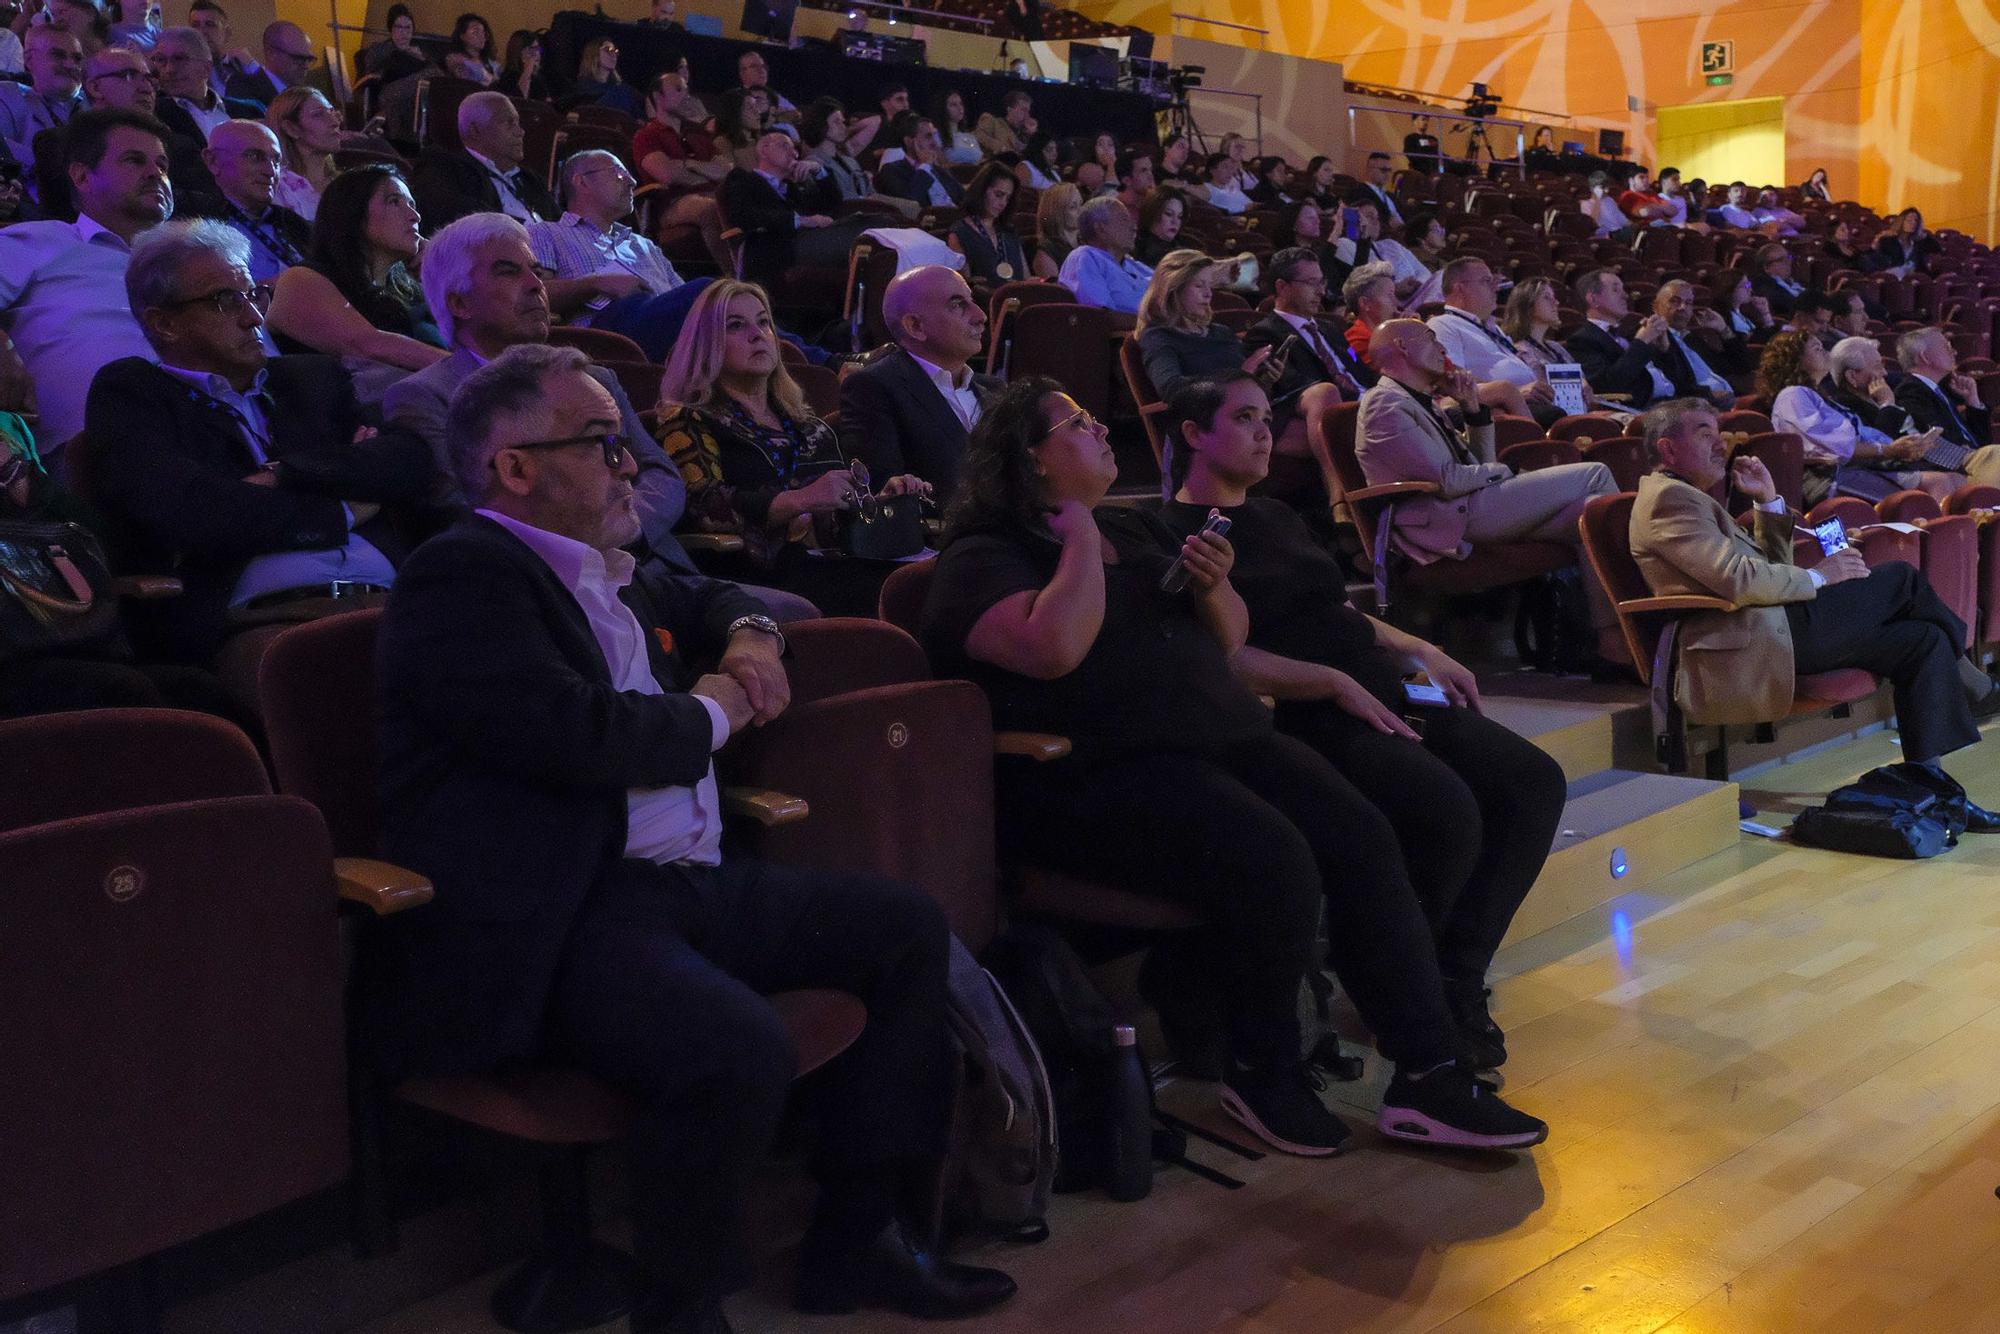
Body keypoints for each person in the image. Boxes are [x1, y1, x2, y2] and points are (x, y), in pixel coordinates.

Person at [374, 341, 1017, 1332]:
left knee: (900, 925)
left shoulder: (613, 564)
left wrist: (753, 632)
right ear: (512, 467)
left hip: (685, 885)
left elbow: (718, 592)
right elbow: (583, 737)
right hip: (565, 908)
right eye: (598, 443)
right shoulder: (462, 577)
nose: (627, 461)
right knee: (735, 1048)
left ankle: (860, 1238)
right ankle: (679, 1306)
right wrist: (717, 706)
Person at [922, 376, 1549, 1152]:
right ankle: (1260, 1070)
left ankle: (1429, 1076)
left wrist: (1215, 585)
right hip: (1098, 774)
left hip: (1216, 739)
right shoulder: (984, 556)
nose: (1098, 427)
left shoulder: (1140, 530)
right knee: (1280, 858)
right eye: (1078, 422)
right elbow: (1052, 649)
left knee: (1360, 831)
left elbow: (1225, 637)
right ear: (1031, 458)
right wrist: (1082, 537)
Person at [1162, 371, 1568, 1073]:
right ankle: (1396, 981)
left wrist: (1419, 645)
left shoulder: (1279, 517)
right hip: (1306, 710)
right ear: (1195, 434)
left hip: (1381, 684)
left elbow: (1334, 609)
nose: (1265, 432)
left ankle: (1453, 973)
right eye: (1246, 418)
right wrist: (1334, 681)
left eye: (1268, 418)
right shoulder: (1176, 535)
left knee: (1532, 781)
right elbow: (1222, 656)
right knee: (1446, 811)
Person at [86, 218, 431, 672]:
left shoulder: (309, 379)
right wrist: (343, 506)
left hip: (392, 601)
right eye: (224, 300)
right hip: (260, 619)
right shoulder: (134, 393)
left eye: (253, 294)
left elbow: (408, 460)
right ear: (164, 323)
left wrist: (282, 474)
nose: (253, 316)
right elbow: (190, 514)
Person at [1630, 396, 2000, 766]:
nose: (1720, 443)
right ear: (1668, 449)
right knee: (1899, 577)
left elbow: (1771, 567)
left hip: (1778, 623)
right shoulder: (1670, 500)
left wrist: (1768, 501)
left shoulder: (1690, 497)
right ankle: (1977, 684)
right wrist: (1824, 574)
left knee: (1923, 638)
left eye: (1718, 432)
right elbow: (1739, 580)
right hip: (1753, 636)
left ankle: (1932, 783)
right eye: (1703, 433)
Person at [383, 212, 707, 573]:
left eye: (536, 270)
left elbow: (659, 473)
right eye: (508, 271)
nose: (536, 285)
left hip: (656, 569)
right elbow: (473, 508)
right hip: (548, 585)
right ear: (460, 303)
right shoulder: (422, 396)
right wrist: (589, 545)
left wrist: (624, 531)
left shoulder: (596, 378)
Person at [657, 280, 930, 615]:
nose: (757, 334)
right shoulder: (688, 418)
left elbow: (833, 522)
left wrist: (879, 500)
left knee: (928, 577)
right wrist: (800, 499)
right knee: (905, 593)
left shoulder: (808, 424)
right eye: (736, 325)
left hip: (825, 564)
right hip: (753, 574)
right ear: (705, 343)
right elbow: (701, 505)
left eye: (764, 322)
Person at [1357, 319, 1616, 626]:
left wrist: (1472, 410)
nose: (1442, 348)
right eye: (1431, 340)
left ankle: (1611, 640)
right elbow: (1446, 482)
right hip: (1442, 520)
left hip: (1469, 506)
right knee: (1596, 474)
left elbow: (1476, 466)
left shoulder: (1421, 401)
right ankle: (1638, 620)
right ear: (1401, 346)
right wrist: (1505, 471)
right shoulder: (1384, 404)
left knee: (1592, 515)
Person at [0, 107, 168, 470]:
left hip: (217, 442)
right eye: (134, 160)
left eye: (162, 165)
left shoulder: (193, 264)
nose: (156, 173)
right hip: (96, 461)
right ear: (81, 176)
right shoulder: (39, 240)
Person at [266, 163, 447, 370]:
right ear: (351, 212)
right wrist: (469, 369)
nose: (415, 216)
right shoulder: (300, 280)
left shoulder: (409, 290)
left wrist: (439, 268)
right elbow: (368, 346)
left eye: (412, 205)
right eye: (394, 201)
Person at [838, 264, 998, 497]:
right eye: (957, 305)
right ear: (915, 326)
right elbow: (882, 494)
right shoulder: (873, 388)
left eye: (971, 301)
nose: (980, 316)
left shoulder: (994, 389)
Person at [1761, 330, 1943, 505]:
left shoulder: (1820, 397)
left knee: (1947, 481)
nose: (1825, 351)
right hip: (1830, 479)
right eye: (1817, 349)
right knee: (1927, 492)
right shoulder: (1792, 395)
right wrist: (1888, 450)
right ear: (1795, 361)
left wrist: (1905, 447)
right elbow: (1834, 448)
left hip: (1853, 471)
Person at [34, 42, 210, 219]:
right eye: (129, 75)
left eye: (149, 79)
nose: (146, 88)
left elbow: (210, 204)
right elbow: (61, 213)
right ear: (95, 87)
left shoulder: (180, 145)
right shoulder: (58, 144)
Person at [719, 127, 860, 286]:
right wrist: (800, 221)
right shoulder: (743, 179)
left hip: (809, 244)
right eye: (785, 146)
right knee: (869, 235)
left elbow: (832, 202)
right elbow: (743, 215)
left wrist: (819, 171)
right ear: (765, 149)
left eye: (795, 149)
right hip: (777, 251)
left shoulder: (793, 188)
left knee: (872, 233)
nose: (795, 154)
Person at [1243, 246, 1373, 415]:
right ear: (1282, 287)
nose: (1321, 291)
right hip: (1337, 409)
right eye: (1311, 283)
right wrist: (1362, 401)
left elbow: (1356, 363)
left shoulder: (1331, 328)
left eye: (1321, 282)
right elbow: (1297, 385)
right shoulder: (1265, 334)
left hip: (1369, 400)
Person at [631, 71, 734, 273]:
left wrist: (689, 165)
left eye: (687, 90)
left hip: (714, 193)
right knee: (711, 209)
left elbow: (726, 169)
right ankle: (735, 279)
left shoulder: (697, 133)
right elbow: (667, 174)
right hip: (673, 202)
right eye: (678, 89)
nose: (686, 95)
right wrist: (705, 171)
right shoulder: (646, 135)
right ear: (659, 97)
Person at [408, 91, 556, 230]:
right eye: (509, 123)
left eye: (518, 123)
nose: (520, 132)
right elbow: (455, 216)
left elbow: (559, 224)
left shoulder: (531, 180)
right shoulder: (444, 167)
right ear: (475, 130)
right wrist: (527, 232)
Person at [186, 117, 308, 282]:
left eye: (276, 161)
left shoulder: (293, 223)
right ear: (213, 161)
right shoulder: (192, 226)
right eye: (255, 156)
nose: (271, 171)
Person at [1425, 257, 1544, 421]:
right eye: (1486, 281)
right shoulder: (1443, 324)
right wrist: (1517, 390)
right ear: (1460, 289)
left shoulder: (1491, 327)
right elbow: (1452, 379)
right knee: (1555, 416)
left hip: (1529, 401)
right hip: (1498, 408)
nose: (1495, 287)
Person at [1894, 326, 2000, 481]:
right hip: (1959, 465)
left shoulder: (1943, 390)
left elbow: (1983, 442)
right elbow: (1933, 436)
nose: (1954, 352)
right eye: (1946, 347)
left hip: (1980, 461)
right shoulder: (1911, 390)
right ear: (1925, 357)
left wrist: (1973, 401)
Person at [1499, 276, 1619, 413]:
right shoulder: (1519, 351)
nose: (1555, 302)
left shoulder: (1557, 348)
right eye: (1546, 297)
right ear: (1528, 305)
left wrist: (1584, 386)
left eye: (1553, 297)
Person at [1567, 268, 1681, 409]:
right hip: (1641, 410)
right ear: (1593, 299)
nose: (1625, 295)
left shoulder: (1628, 334)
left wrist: (1664, 349)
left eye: (1623, 289)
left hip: (1670, 402)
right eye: (1616, 290)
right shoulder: (1582, 340)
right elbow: (1607, 385)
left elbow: (1677, 379)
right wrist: (1641, 342)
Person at [797, 96, 909, 220]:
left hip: (869, 211)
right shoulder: (814, 164)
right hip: (849, 220)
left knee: (915, 210)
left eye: (843, 122)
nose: (842, 127)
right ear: (821, 124)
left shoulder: (850, 161)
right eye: (836, 122)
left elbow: (870, 193)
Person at [149, 26, 259, 144]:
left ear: (206, 68)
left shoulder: (249, 111)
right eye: (161, 60)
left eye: (179, 59)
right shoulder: (153, 115)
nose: (169, 69)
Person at [0, 26, 83, 175]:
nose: (71, 65)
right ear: (29, 60)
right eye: (58, 55)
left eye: (77, 58)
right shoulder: (8, 96)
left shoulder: (96, 107)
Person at [1056, 196, 1153, 317]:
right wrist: (1153, 324)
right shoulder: (1085, 256)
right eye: (1124, 219)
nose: (1134, 227)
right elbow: (1100, 316)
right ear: (1101, 229)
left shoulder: (1133, 264)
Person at [1649, 278, 1738, 407]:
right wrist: (1708, 395)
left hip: (1725, 401)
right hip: (1696, 406)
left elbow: (1738, 366)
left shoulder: (1692, 339)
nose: (1682, 307)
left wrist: (1724, 329)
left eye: (1688, 302)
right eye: (1674, 301)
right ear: (1656, 306)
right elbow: (1673, 383)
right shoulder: (1654, 337)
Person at [947, 161, 1027, 286]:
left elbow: (1025, 277)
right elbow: (965, 287)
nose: (1003, 203)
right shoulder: (960, 233)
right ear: (982, 190)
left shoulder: (1009, 231)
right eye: (998, 195)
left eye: (1007, 198)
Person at [265, 85, 337, 221]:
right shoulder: (277, 189)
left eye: (332, 112)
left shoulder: (344, 183)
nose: (335, 122)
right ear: (291, 128)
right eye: (318, 114)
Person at [222, 21, 315, 110]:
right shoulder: (243, 88)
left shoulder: (309, 93)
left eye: (309, 59)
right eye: (298, 58)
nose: (306, 66)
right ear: (271, 54)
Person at [876, 115, 963, 209]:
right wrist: (925, 166)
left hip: (956, 217)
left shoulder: (939, 170)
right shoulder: (891, 170)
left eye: (935, 136)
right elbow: (910, 202)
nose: (935, 143)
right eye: (928, 137)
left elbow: (963, 197)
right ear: (909, 142)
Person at [1342, 260, 1399, 363]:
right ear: (1365, 303)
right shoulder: (1356, 341)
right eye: (1389, 295)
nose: (1396, 302)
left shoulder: (1388, 335)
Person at [570, 37, 639, 117]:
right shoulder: (581, 87)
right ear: (594, 54)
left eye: (615, 51)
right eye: (608, 50)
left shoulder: (624, 90)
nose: (613, 55)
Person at [360, 4, 429, 79]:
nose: (404, 32)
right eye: (399, 27)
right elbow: (369, 78)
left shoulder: (421, 52)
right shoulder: (378, 50)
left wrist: (421, 60)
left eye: (408, 27)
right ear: (391, 30)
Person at [1032, 181, 1080, 280]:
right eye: (1073, 207)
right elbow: (1055, 292)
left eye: (1081, 204)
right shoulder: (1047, 251)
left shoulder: (1087, 242)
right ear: (1057, 212)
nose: (1081, 210)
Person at [1132, 185, 1187, 268]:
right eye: (1168, 214)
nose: (1175, 222)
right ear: (1152, 213)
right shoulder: (1131, 243)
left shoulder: (1182, 255)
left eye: (1179, 217)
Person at [1877, 207, 1942, 276]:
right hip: (1894, 277)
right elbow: (1882, 263)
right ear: (1901, 222)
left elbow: (1937, 248)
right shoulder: (1888, 241)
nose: (1913, 223)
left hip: (1914, 278)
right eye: (1909, 220)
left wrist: (1925, 236)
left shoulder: (1919, 242)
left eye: (1916, 220)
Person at [1748, 241, 1805, 316]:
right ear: (1766, 268)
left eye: (1788, 257)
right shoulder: (1764, 287)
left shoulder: (1794, 281)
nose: (1788, 262)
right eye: (1781, 260)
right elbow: (1793, 306)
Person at [443, 12, 498, 86]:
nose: (482, 36)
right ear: (462, 36)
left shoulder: (490, 62)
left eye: (484, 33)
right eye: (475, 32)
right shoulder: (455, 59)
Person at [929, 89, 981, 165]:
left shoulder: (970, 136)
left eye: (961, 104)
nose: (960, 108)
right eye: (953, 105)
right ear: (943, 109)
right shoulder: (936, 135)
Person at [1354, 150, 1402, 230]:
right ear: (1370, 170)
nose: (1387, 174)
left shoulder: (1391, 196)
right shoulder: (1359, 193)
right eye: (1383, 170)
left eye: (1389, 170)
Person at [975, 89, 1031, 157]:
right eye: (1023, 110)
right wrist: (1003, 148)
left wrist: (1030, 134)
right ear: (1009, 109)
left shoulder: (1025, 133)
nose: (1027, 114)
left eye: (1028, 111)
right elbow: (979, 136)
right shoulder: (993, 121)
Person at [498, 29, 548, 103]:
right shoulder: (509, 76)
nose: (537, 54)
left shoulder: (538, 76)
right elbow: (520, 102)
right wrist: (528, 70)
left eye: (538, 49)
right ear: (519, 51)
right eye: (532, 49)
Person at [1579, 171, 1628, 238]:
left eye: (1607, 188)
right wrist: (1597, 200)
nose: (1606, 191)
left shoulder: (1609, 200)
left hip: (1618, 233)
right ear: (1592, 188)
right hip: (1603, 236)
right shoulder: (1585, 204)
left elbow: (1622, 220)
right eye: (1602, 187)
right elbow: (1593, 224)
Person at [1113, 146, 1155, 215]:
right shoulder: (1114, 211)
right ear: (1127, 180)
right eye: (1143, 171)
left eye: (1151, 169)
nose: (1151, 176)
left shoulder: (1155, 206)